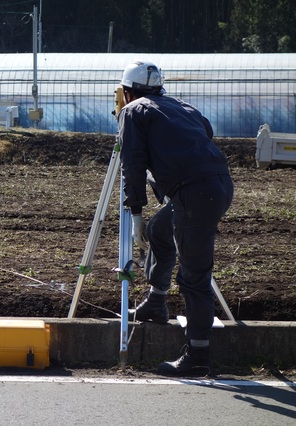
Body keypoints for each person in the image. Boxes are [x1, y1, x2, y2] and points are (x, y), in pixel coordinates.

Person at [117, 61, 234, 375]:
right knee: (160, 230)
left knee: (194, 277)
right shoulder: (183, 106)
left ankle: (197, 357)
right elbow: (205, 132)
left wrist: (135, 214)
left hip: (195, 194)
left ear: (126, 92)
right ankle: (156, 301)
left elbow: (133, 164)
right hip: (218, 186)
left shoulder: (132, 111)